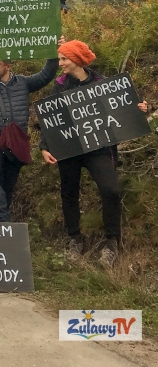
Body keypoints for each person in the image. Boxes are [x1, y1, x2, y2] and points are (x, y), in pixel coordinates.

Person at [40, 40, 148, 267]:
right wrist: (44, 147)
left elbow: (121, 108)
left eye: (64, 59)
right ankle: (74, 239)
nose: (60, 64)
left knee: (111, 190)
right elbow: (52, 118)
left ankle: (111, 242)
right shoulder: (59, 84)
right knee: (69, 193)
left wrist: (138, 110)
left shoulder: (101, 83)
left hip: (98, 148)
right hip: (68, 149)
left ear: (77, 59)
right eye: (60, 59)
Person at [0, 28, 60, 209]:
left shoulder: (23, 83)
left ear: (8, 66)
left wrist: (54, 52)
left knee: (9, 187)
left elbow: (45, 75)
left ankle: (4, 225)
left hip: (15, 144)